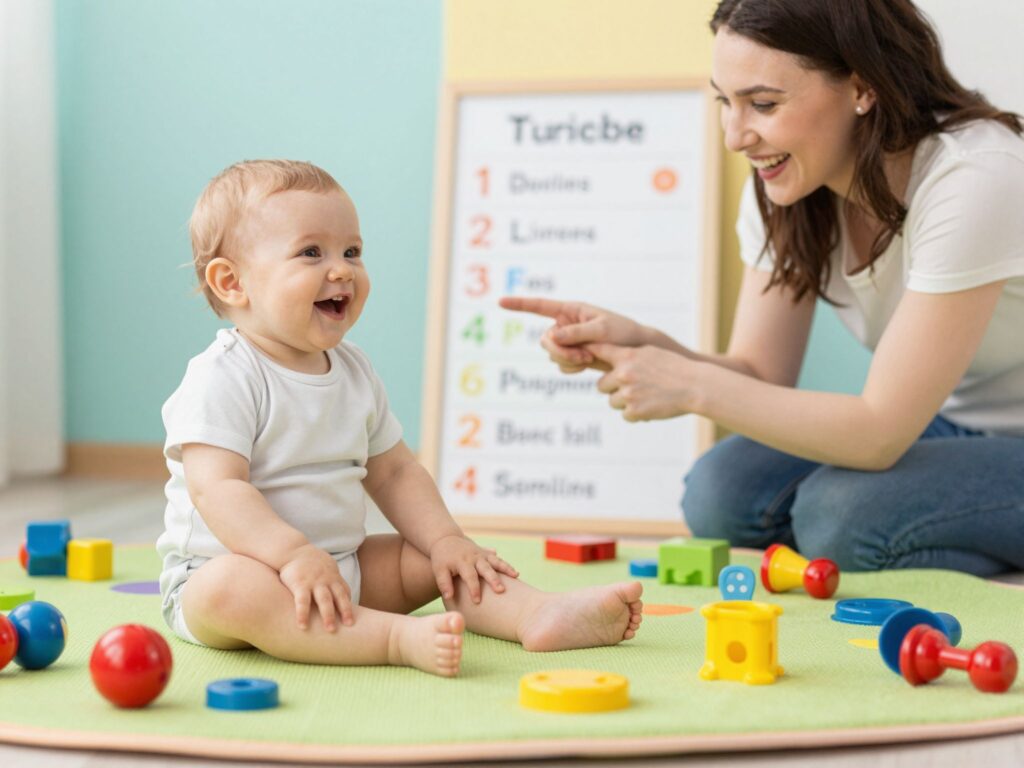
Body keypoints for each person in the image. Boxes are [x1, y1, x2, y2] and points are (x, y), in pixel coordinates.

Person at [501, 0, 1024, 577]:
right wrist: (646, 345)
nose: (734, 136)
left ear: (862, 87)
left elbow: (878, 433)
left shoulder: (974, 176)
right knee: (722, 489)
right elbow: (758, 376)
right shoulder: (793, 185)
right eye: (725, 101)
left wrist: (691, 385)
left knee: (842, 515)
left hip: (972, 432)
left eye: (764, 104)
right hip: (952, 423)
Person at [157, 160, 642, 676]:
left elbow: (394, 472)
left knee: (437, 561)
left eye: (352, 251)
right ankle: (392, 640)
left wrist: (447, 540)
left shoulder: (354, 369)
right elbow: (220, 490)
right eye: (311, 253)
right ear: (232, 282)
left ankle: (535, 614)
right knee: (232, 589)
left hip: (343, 568)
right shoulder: (224, 376)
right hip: (234, 575)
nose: (341, 268)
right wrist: (292, 555)